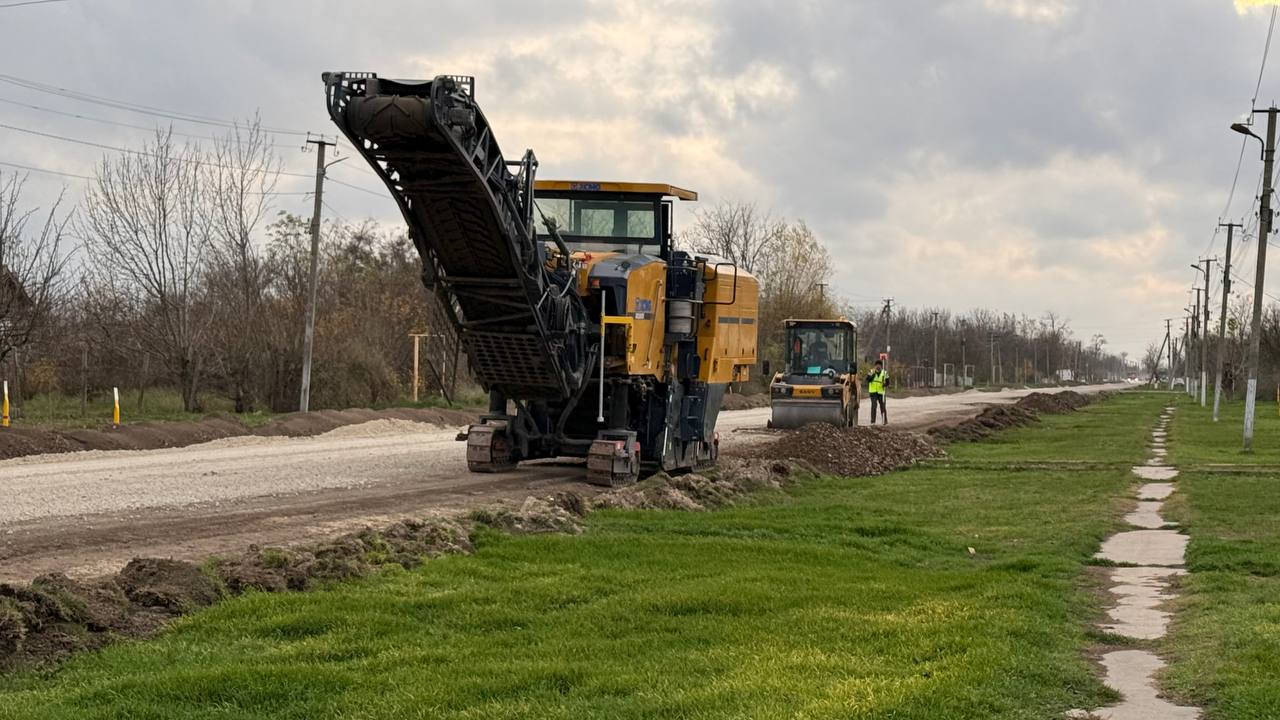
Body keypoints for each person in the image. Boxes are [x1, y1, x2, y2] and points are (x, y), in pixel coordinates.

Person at [866, 359, 888, 424]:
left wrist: (885, 384)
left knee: (883, 406)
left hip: (881, 392)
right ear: (875, 366)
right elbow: (868, 379)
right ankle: (873, 421)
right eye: (877, 365)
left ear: (881, 366)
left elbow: (888, 382)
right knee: (874, 406)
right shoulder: (871, 371)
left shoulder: (884, 373)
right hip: (873, 392)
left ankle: (884, 420)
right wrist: (873, 374)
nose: (878, 366)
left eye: (879, 365)